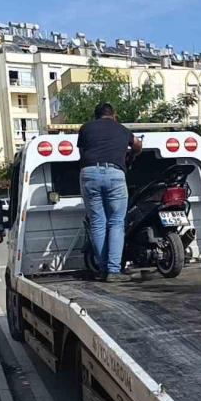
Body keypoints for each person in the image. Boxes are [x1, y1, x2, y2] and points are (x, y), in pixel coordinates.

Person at [78, 102, 142, 282]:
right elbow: (138, 144)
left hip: (89, 173)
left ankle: (103, 269)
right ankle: (114, 271)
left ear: (96, 115)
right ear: (114, 115)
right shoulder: (122, 129)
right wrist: (132, 155)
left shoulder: (85, 129)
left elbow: (82, 152)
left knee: (98, 222)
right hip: (115, 173)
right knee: (116, 222)